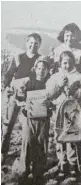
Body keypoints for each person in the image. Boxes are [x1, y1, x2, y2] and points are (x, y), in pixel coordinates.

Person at [46, 50, 81, 182]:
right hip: (58, 112)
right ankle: (62, 164)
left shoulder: (79, 76)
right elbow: (49, 95)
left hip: (73, 114)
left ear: (73, 63)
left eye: (69, 63)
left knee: (73, 139)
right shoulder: (54, 77)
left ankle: (73, 165)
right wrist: (59, 86)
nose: (67, 66)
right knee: (60, 138)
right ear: (60, 63)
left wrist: (76, 92)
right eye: (64, 63)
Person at [1, 33, 43, 165]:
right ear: (26, 43)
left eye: (36, 43)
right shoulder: (18, 57)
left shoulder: (41, 59)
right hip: (15, 94)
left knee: (28, 130)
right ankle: (3, 152)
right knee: (8, 126)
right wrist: (6, 86)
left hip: (30, 97)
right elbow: (8, 74)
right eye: (31, 42)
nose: (33, 45)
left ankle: (26, 159)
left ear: (39, 45)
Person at [17, 59, 52, 185]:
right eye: (39, 68)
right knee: (27, 143)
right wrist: (22, 100)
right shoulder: (29, 83)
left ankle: (38, 173)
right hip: (29, 119)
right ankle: (24, 172)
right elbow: (20, 97)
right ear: (35, 69)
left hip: (44, 120)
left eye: (44, 68)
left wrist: (50, 105)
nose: (41, 70)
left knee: (41, 145)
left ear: (48, 70)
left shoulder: (49, 85)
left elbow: (54, 101)